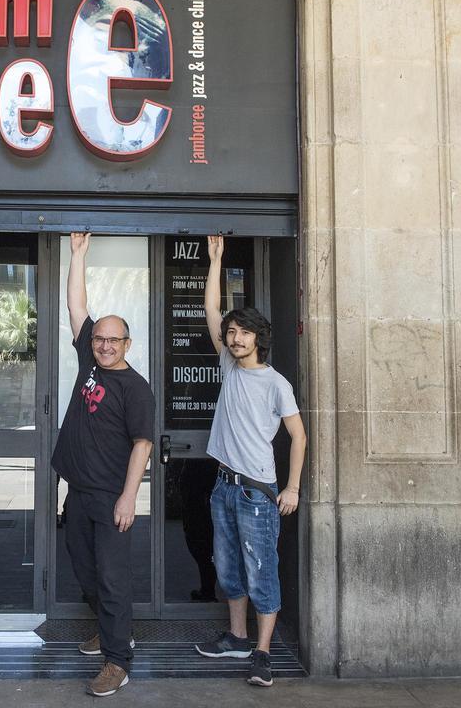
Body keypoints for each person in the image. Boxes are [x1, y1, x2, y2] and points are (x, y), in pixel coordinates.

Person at [194, 235, 306, 688]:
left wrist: (292, 488)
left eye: (243, 332)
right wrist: (216, 261)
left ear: (259, 338)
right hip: (224, 485)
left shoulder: (276, 384)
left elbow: (299, 437)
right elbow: (210, 312)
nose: (234, 337)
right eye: (232, 332)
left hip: (258, 492)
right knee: (227, 568)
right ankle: (238, 636)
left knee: (262, 572)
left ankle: (262, 653)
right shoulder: (227, 364)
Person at [51, 232, 155, 697]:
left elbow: (142, 444)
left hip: (113, 498)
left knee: (113, 581)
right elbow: (76, 305)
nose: (105, 345)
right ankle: (115, 633)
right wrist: (77, 256)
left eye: (114, 340)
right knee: (85, 571)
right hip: (79, 494)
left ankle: (118, 660)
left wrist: (130, 497)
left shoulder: (136, 388)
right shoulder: (88, 364)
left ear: (128, 344)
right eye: (99, 339)